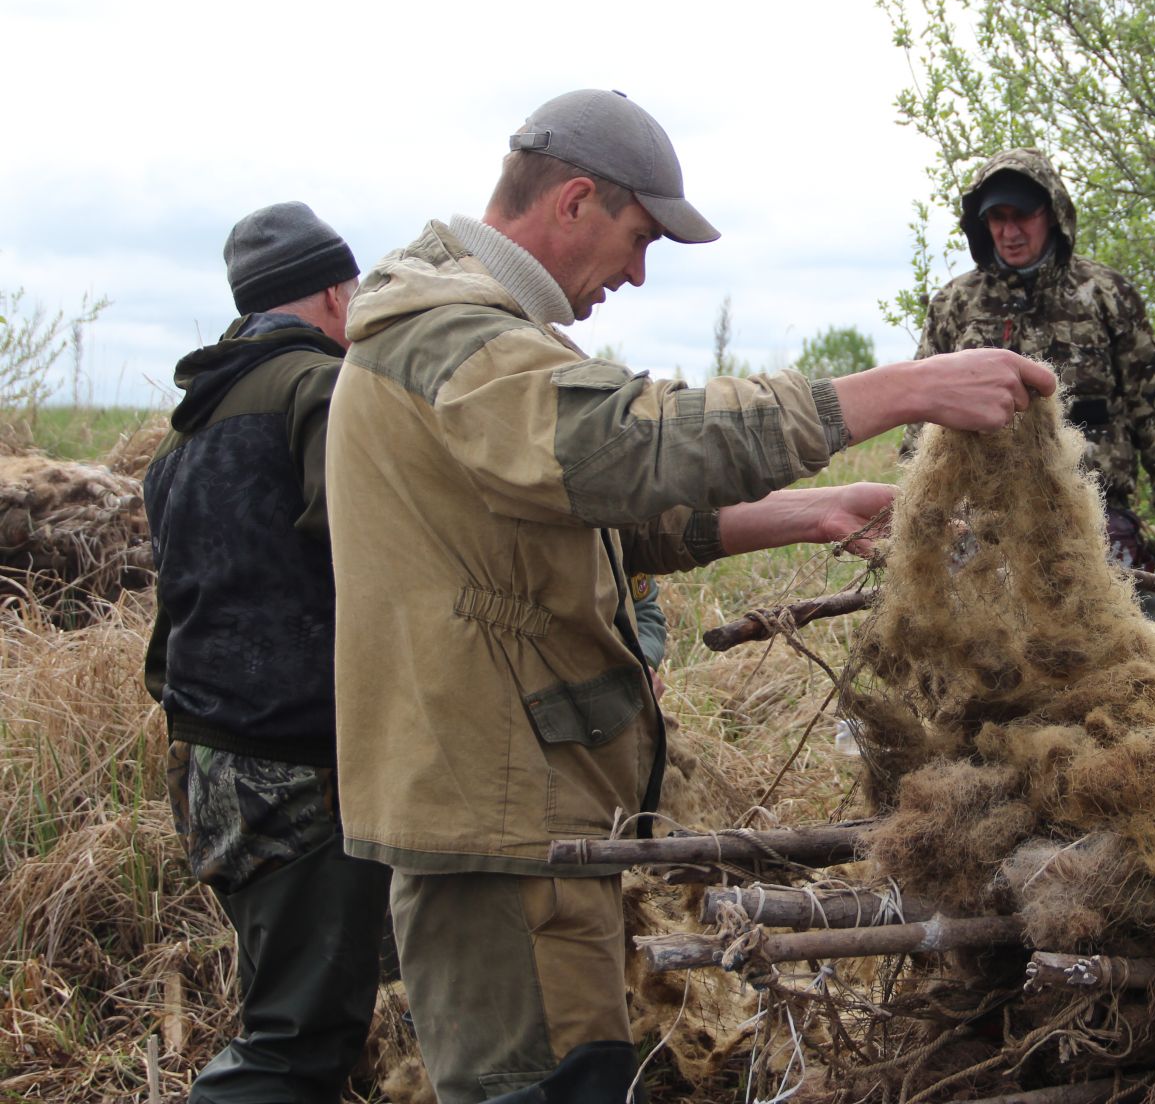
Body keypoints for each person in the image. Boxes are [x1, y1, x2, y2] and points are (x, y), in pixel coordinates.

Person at [324, 89, 1056, 1104]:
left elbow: (606, 521)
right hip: (497, 816)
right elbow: (631, 441)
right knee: (545, 1086)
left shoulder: (476, 335)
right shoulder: (452, 339)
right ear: (574, 199)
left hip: (519, 806)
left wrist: (806, 510)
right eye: (638, 237)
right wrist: (898, 389)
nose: (636, 270)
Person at [142, 202, 390, 1103]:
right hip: (297, 769)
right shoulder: (320, 391)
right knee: (297, 1042)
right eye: (356, 288)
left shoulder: (186, 430)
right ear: (332, 290)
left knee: (298, 1007)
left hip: (212, 767)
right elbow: (373, 559)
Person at [908, 148, 1155, 568]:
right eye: (997, 218)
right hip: (982, 517)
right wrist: (915, 513)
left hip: (1093, 511)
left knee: (1108, 628)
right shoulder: (954, 304)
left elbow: (1152, 402)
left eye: (1022, 215)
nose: (1010, 232)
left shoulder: (1107, 293)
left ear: (1053, 214)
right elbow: (921, 415)